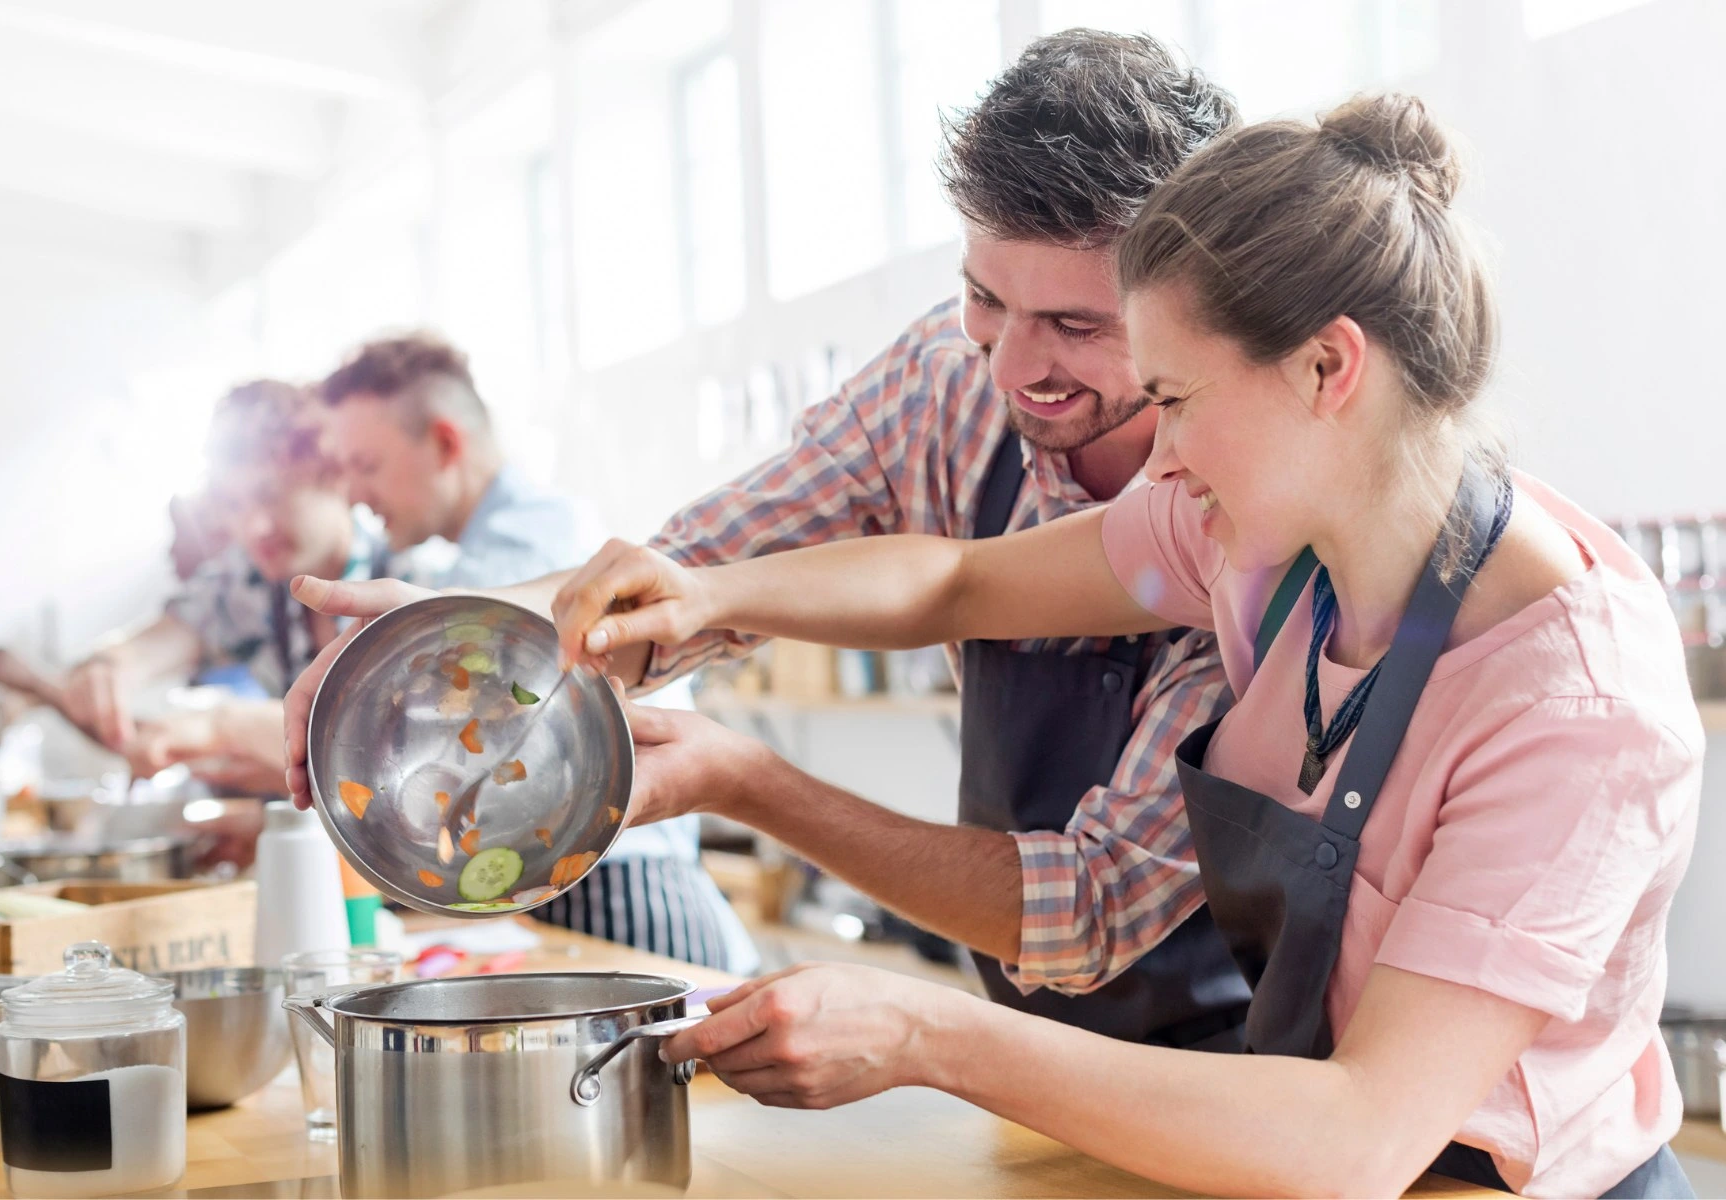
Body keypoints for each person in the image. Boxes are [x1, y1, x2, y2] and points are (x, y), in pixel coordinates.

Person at [549, 95, 1699, 1197]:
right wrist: (705, 593)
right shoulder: (1253, 548)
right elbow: (954, 579)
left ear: (1325, 368)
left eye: (1177, 399)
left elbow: (1355, 1134)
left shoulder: (1574, 714)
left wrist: (924, 1031)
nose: (1161, 453)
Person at [283, 30, 1251, 1047]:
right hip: (1032, 1043)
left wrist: (747, 781)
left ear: (1187, 303)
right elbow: (709, 571)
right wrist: (463, 633)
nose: (1010, 366)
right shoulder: (941, 380)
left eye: (1075, 326)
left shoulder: (1243, 510)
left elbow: (1084, 914)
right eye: (983, 297)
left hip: (1230, 1065)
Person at [315, 333, 758, 973]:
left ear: (443, 443)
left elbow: (433, 717)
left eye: (366, 464)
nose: (355, 493)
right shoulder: (490, 543)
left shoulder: (528, 540)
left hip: (621, 887)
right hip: (571, 884)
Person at [47, 379, 390, 789]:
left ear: (334, 476)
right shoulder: (250, 580)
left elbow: (378, 742)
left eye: (270, 495)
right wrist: (110, 665)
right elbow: (175, 632)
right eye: (233, 505)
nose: (253, 526)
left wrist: (223, 724)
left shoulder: (412, 579)